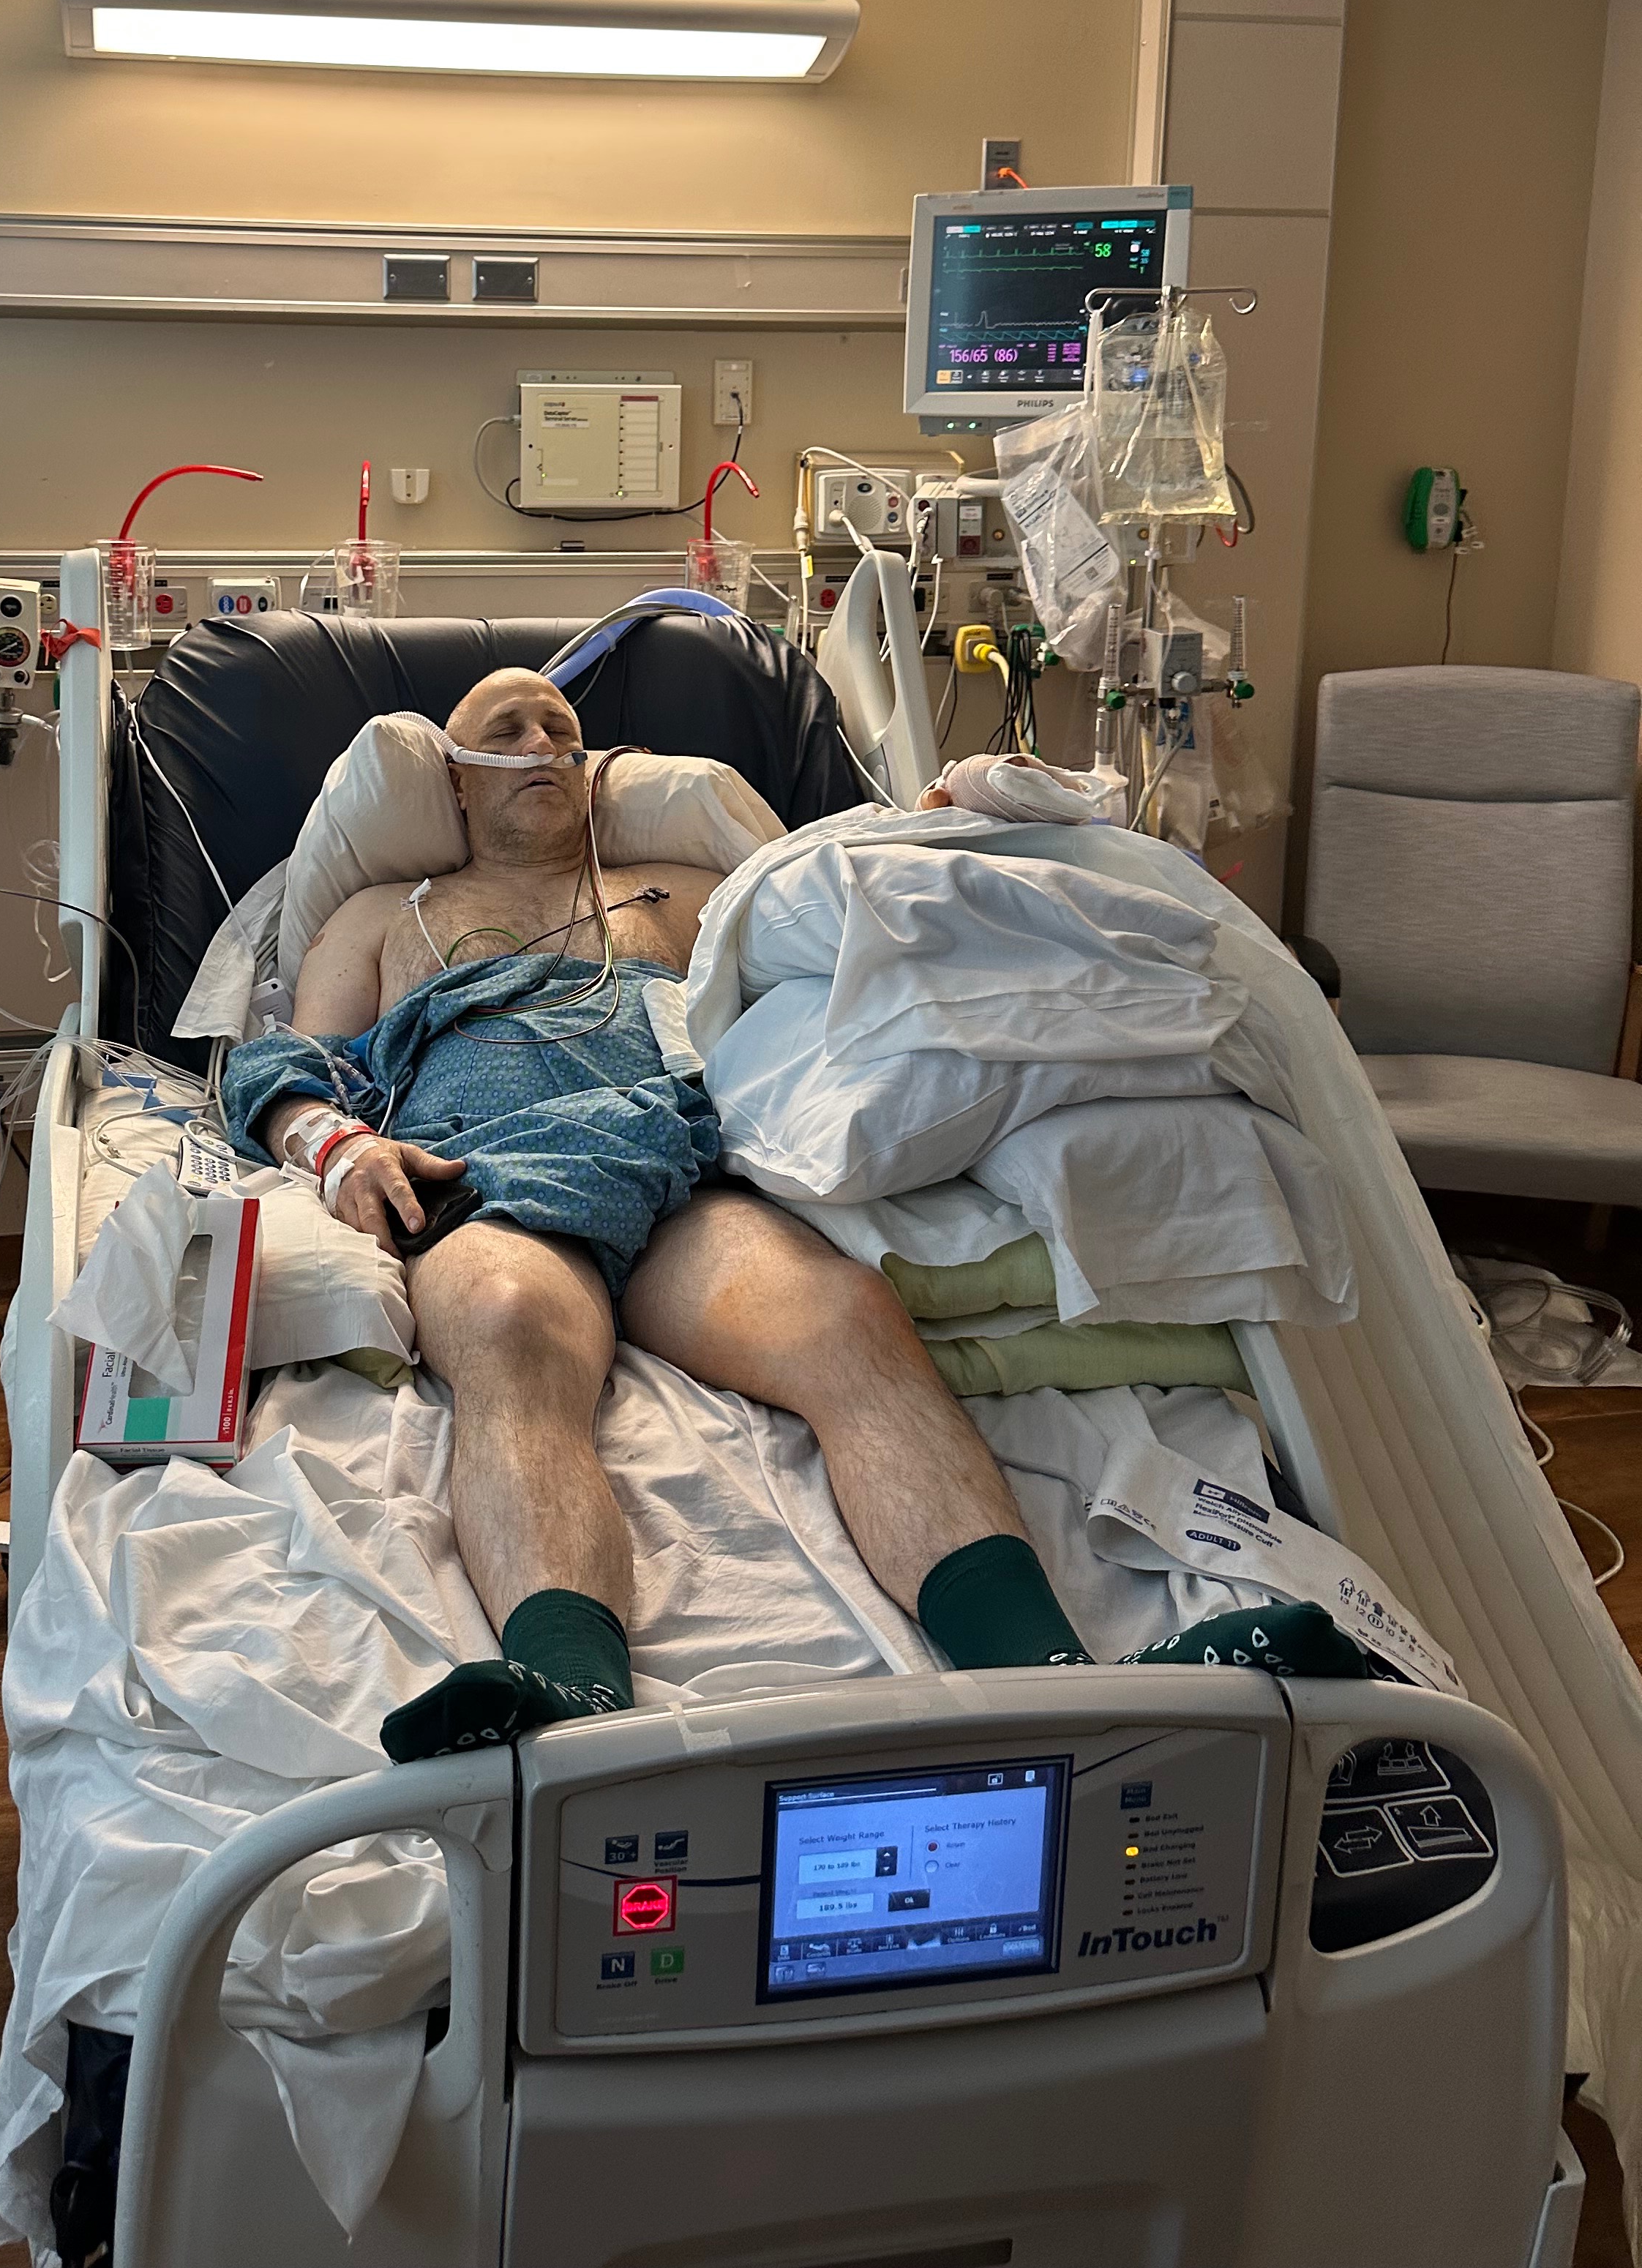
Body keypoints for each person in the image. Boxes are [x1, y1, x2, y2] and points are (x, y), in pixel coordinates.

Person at [220, 669, 1366, 1762]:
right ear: (454, 784)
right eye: (506, 732)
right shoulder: (382, 914)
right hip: (490, 1176)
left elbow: (841, 899)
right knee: (511, 1329)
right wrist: (335, 1146)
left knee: (848, 1321)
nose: (542, 747)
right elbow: (285, 1062)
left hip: (677, 1166)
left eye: (562, 732)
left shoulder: (677, 888)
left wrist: (951, 823)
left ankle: (1056, 1676)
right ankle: (569, 1696)